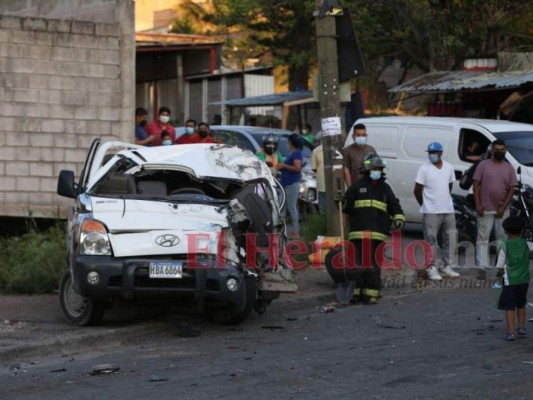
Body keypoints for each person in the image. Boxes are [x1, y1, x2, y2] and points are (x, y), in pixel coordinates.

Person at [335, 153, 405, 304]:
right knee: (357, 263)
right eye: (374, 168)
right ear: (366, 170)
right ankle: (355, 292)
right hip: (358, 233)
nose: (376, 171)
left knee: (373, 264)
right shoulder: (357, 187)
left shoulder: (385, 189)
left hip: (378, 234)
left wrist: (399, 217)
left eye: (379, 168)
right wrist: (341, 202)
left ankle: (371, 293)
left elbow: (394, 206)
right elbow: (346, 206)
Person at [414, 142, 460, 280]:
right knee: (430, 241)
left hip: (447, 209)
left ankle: (446, 266)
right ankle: (431, 267)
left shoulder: (449, 167)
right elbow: (417, 190)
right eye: (430, 153)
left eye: (434, 153)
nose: (432, 155)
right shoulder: (424, 169)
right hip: (431, 211)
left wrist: (444, 200)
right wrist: (426, 204)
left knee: (450, 238)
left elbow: (449, 186)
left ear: (441, 153)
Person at [473, 139, 517, 280]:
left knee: (502, 239)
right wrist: (478, 204)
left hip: (502, 210)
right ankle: (481, 268)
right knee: (482, 239)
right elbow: (476, 185)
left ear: (505, 151)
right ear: (492, 151)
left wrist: (503, 208)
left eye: (502, 150)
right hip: (485, 208)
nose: (499, 152)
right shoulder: (483, 165)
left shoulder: (509, 168)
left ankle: (501, 268)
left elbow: (511, 188)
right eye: (497, 149)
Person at [495, 216, 532, 341]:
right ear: (522, 230)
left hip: (510, 280)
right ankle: (521, 327)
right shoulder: (526, 243)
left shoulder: (505, 245)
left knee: (509, 307)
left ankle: (511, 332)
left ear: (505, 231)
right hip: (524, 280)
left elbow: (500, 266)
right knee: (521, 304)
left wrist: (498, 276)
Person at [276, 134, 303, 238]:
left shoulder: (296, 154)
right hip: (286, 184)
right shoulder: (292, 154)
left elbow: (297, 168)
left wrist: (283, 165)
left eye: (288, 142)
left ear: (291, 143)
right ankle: (282, 230)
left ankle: (296, 231)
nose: (287, 144)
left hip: (292, 184)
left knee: (292, 207)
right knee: (283, 207)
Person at [311, 143, 325, 215]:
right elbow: (314, 168)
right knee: (323, 206)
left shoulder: (337, 149)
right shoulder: (316, 151)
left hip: (334, 184)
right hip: (322, 183)